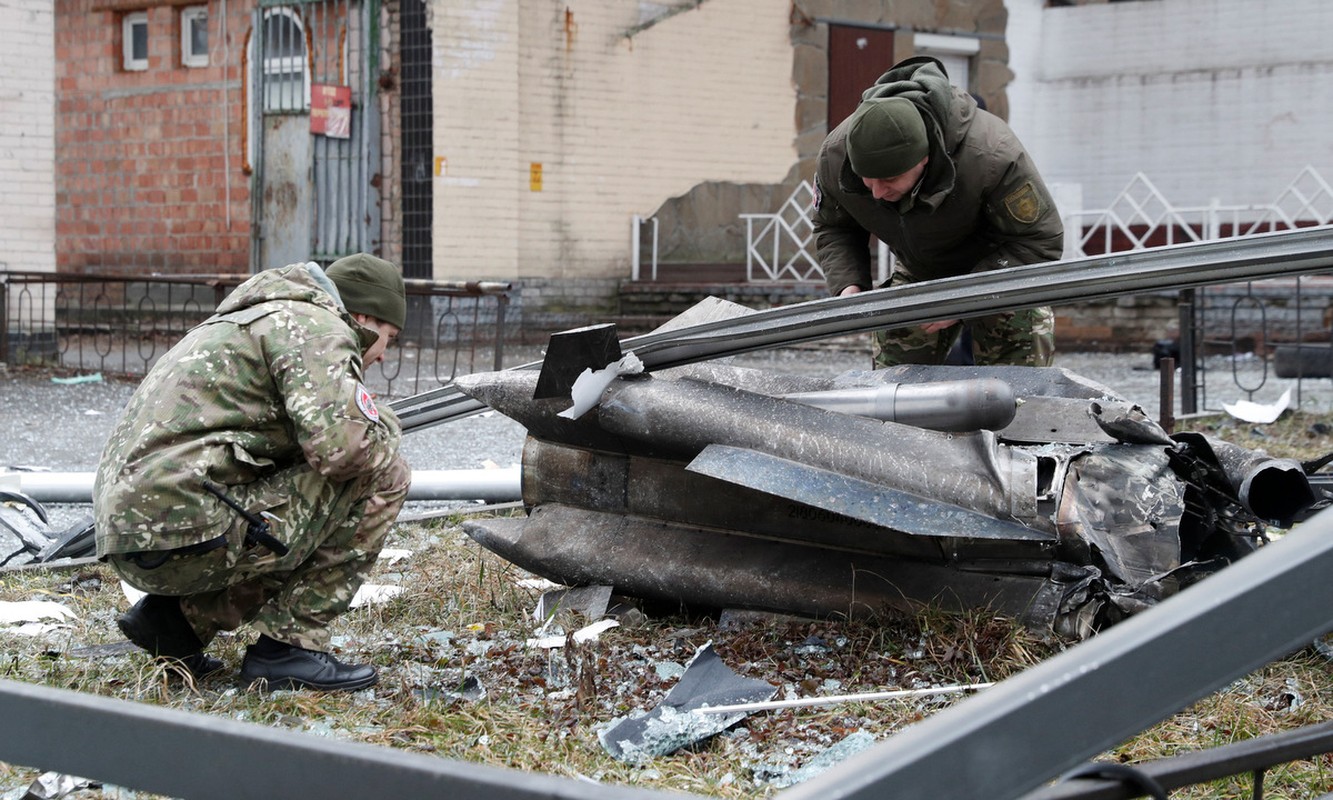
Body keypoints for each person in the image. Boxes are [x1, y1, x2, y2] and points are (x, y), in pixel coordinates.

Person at [93, 254, 411, 691]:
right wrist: (385, 426)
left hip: (134, 533)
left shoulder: (255, 318)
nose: (382, 354)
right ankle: (289, 648)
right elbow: (343, 453)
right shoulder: (318, 327)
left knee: (303, 487)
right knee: (383, 474)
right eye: (388, 337)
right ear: (365, 317)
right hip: (184, 528)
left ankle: (176, 624)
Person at [813, 56, 1064, 367]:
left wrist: (965, 299)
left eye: (889, 180)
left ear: (924, 160)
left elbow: (1040, 240)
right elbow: (834, 225)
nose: (877, 192)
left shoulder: (993, 155)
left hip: (1001, 273)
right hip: (921, 270)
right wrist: (849, 283)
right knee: (893, 388)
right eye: (867, 181)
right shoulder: (835, 155)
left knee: (1017, 392)